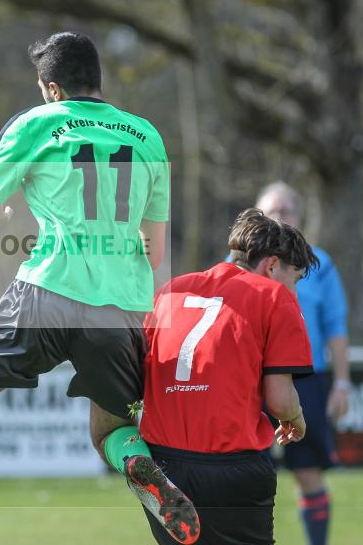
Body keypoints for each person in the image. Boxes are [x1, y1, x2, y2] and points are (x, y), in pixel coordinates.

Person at [0, 32, 199, 545]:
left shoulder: (36, 123)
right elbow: (154, 252)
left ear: (51, 87)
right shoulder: (147, 136)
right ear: (98, 80)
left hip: (46, 292)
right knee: (110, 431)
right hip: (121, 308)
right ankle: (140, 466)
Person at [141, 208, 318, 544]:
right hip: (231, 465)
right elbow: (280, 401)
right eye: (293, 279)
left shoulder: (168, 292)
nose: (293, 292)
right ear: (271, 265)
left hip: (162, 467)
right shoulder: (274, 297)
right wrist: (295, 417)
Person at [255, 182, 351, 545]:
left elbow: (336, 327)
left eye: (286, 211)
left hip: (306, 380)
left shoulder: (320, 265)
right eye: (271, 211)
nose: (278, 218)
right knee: (246, 471)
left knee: (308, 471)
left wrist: (342, 384)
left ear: (298, 216)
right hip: (249, 380)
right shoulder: (235, 265)